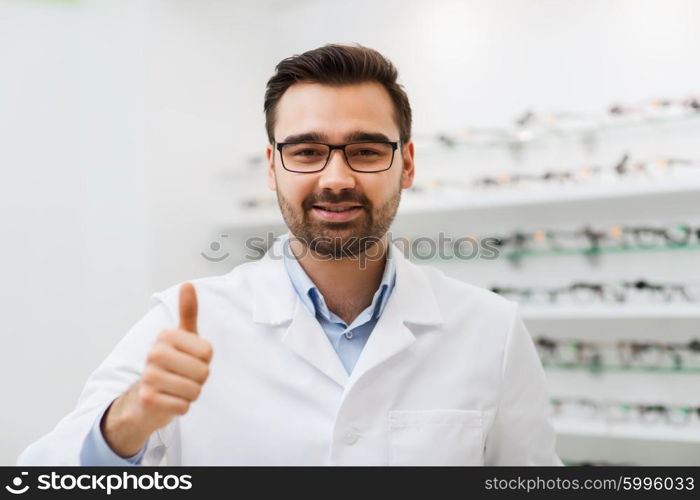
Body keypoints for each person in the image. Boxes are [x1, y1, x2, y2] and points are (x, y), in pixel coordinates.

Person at [17, 43, 562, 466]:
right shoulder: (186, 324)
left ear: (409, 164)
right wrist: (129, 422)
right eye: (306, 151)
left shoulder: (492, 329)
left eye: (367, 150)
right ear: (273, 166)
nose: (337, 178)